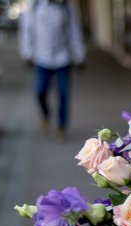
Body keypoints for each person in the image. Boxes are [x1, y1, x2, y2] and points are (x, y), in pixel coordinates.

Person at [18, 0, 86, 141]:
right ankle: (45, 115)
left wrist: (80, 56)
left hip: (63, 58)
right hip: (41, 57)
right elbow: (26, 29)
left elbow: (74, 32)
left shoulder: (67, 7)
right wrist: (26, 53)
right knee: (40, 91)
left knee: (63, 94)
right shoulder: (34, 5)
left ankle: (61, 127)